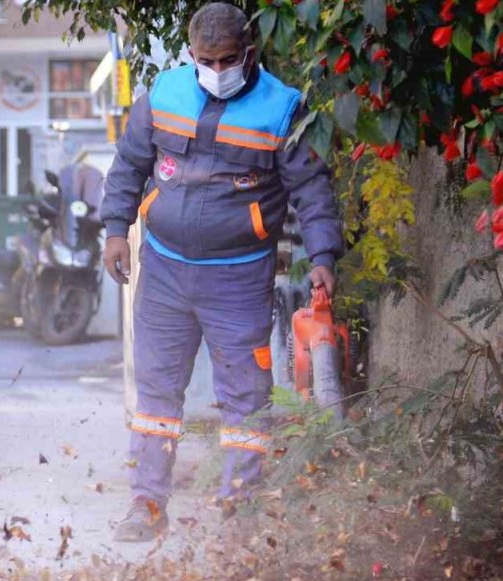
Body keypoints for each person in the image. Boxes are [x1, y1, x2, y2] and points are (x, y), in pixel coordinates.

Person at [100, 2, 343, 542]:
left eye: (226, 59)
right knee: (157, 395)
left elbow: (313, 191)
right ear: (190, 56)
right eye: (204, 60)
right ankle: (146, 504)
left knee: (245, 400)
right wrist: (116, 230)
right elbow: (128, 166)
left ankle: (240, 511)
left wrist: (323, 257)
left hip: (237, 279)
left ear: (248, 54)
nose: (215, 70)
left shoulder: (282, 109)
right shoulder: (163, 95)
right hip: (164, 270)